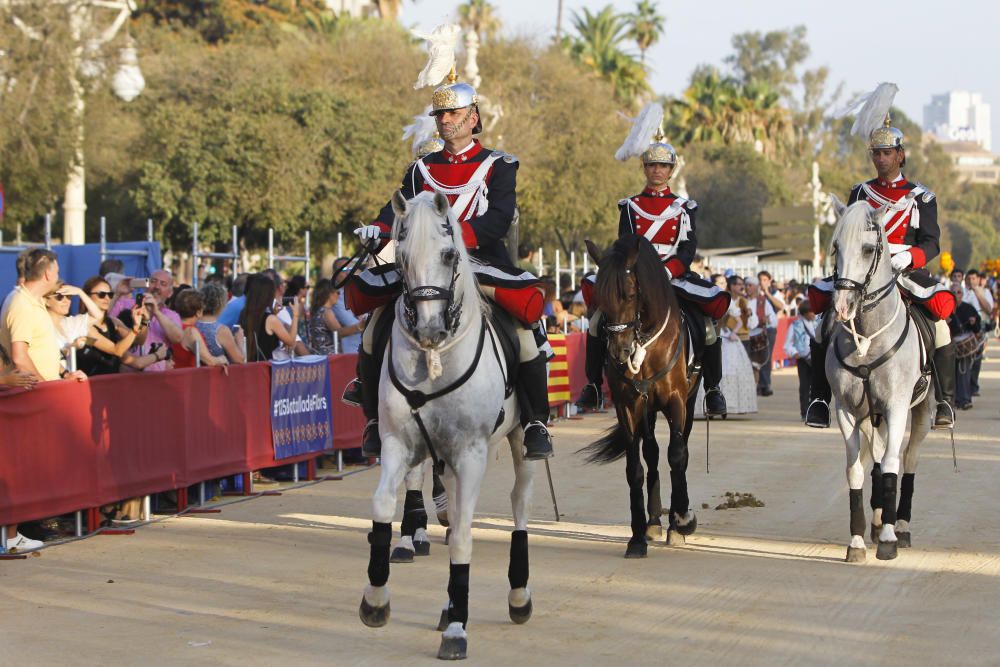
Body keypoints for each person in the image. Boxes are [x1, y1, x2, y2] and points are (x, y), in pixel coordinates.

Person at [345, 62, 554, 460]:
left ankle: (537, 420)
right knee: (375, 325)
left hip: (481, 262)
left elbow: (498, 217)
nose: (444, 121)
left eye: (453, 114)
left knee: (525, 326)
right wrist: (376, 227)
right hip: (426, 268)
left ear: (473, 118)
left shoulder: (500, 165)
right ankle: (373, 415)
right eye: (439, 115)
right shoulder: (421, 168)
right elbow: (398, 211)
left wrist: (458, 241)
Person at [805, 84, 956, 429]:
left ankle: (945, 400)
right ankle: (818, 399)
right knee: (822, 325)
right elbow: (847, 235)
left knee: (942, 324)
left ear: (901, 155)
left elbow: (932, 243)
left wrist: (911, 257)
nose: (881, 158)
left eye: (888, 153)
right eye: (876, 153)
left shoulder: (921, 197)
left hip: (903, 270)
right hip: (861, 271)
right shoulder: (860, 192)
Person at [576, 105, 730, 417]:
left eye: (662, 166)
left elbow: (687, 249)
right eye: (651, 166)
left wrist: (666, 271)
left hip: (672, 276)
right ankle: (593, 385)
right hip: (634, 277)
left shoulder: (685, 207)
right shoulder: (629, 206)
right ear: (644, 169)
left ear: (671, 170)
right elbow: (623, 246)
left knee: (707, 326)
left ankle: (713, 388)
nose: (657, 171)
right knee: (596, 323)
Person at [75, 276, 165, 375]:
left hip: (111, 386)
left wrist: (145, 321)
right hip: (88, 386)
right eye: (101, 294)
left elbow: (139, 340)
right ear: (87, 297)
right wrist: (135, 330)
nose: (107, 298)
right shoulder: (82, 325)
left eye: (110, 294)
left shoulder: (113, 323)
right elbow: (116, 350)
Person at [111, 269, 183, 372]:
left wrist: (157, 312)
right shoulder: (125, 304)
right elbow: (104, 319)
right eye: (153, 281)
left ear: (170, 293)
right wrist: (117, 293)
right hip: (127, 376)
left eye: (163, 284)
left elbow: (178, 338)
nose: (157, 286)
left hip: (156, 378)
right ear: (146, 285)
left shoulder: (171, 315)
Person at [240, 274, 302, 362]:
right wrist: (295, 315)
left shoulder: (245, 313)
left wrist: (273, 313)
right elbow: (291, 342)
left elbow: (260, 333)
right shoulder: (271, 319)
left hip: (251, 365)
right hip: (265, 369)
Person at [170, 288, 229, 368]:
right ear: (198, 312)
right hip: (187, 377)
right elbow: (209, 361)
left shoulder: (171, 325)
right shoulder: (191, 332)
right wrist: (222, 359)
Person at [783, 300, 818, 420]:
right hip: (803, 360)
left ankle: (815, 411)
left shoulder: (818, 323)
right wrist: (794, 353)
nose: (814, 314)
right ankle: (804, 412)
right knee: (804, 386)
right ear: (805, 313)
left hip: (817, 358)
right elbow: (788, 344)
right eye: (811, 312)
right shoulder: (795, 325)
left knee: (817, 386)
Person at [308, 278, 363, 354]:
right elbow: (338, 332)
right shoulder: (326, 312)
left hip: (319, 356)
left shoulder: (318, 310)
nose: (338, 295)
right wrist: (360, 326)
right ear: (330, 294)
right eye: (338, 292)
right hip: (328, 357)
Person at [196, 283, 245, 364]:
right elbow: (239, 360)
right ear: (222, 304)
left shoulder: (192, 325)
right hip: (214, 375)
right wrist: (240, 341)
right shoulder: (221, 330)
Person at [962, 269, 993, 397]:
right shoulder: (962, 292)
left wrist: (978, 293)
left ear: (978, 279)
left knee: (976, 358)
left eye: (973, 279)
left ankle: (973, 385)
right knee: (965, 358)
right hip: (965, 325)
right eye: (968, 279)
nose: (971, 281)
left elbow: (989, 309)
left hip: (979, 326)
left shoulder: (985, 292)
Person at [754, 271, 785, 396]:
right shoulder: (753, 293)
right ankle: (757, 384)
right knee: (756, 357)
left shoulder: (775, 293)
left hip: (770, 329)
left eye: (765, 279)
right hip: (755, 329)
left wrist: (767, 293)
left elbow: (781, 306)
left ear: (769, 280)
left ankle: (765, 384)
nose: (762, 282)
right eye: (760, 279)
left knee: (766, 357)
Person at [329, 258, 365, 354]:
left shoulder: (361, 293)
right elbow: (351, 323)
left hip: (367, 349)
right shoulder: (335, 298)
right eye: (344, 269)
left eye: (352, 269)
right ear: (335, 273)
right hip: (350, 350)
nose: (349, 272)